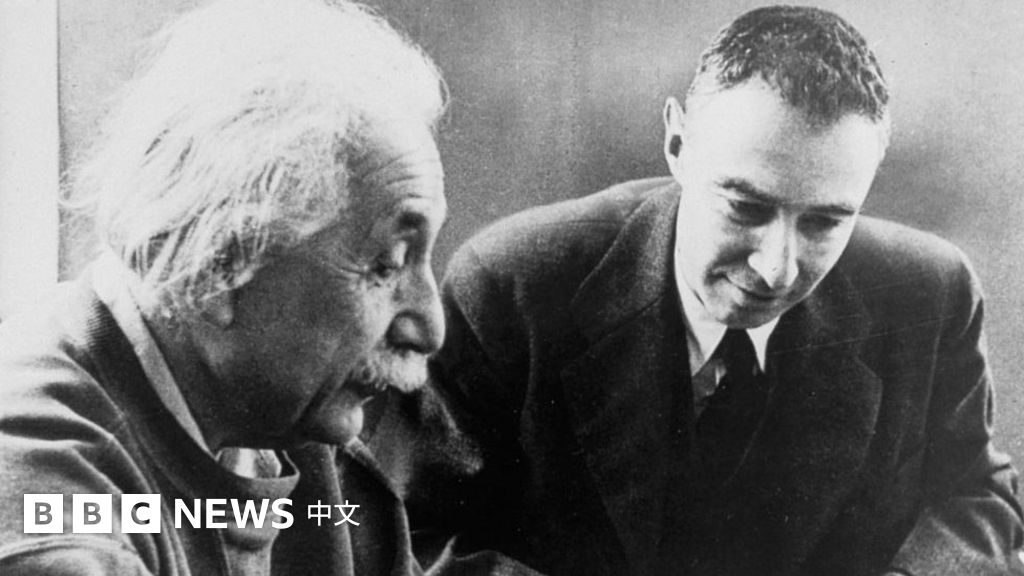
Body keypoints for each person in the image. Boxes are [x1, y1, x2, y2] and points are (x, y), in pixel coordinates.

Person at [391, 5, 1024, 576]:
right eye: (745, 208)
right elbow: (411, 530)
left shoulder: (930, 294)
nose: (776, 270)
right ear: (677, 143)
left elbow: (978, 495)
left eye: (826, 222)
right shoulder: (511, 286)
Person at [0, 0, 525, 574]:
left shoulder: (282, 432)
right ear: (218, 262)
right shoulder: (52, 510)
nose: (429, 326)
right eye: (386, 265)